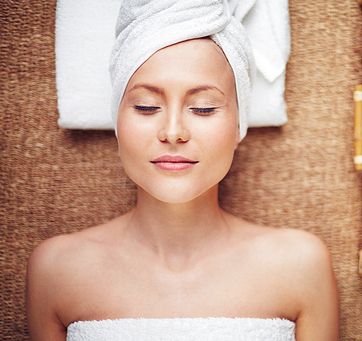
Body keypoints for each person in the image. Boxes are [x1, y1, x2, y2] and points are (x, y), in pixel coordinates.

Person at [26, 1, 339, 340]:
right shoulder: (57, 270)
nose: (173, 131)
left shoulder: (301, 265)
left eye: (203, 108)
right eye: (146, 106)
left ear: (238, 126)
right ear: (117, 121)